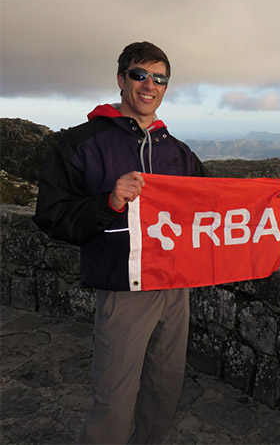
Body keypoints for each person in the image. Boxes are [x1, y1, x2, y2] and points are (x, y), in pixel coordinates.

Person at [33, 42, 208, 444]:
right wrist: (109, 202)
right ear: (120, 79)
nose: (150, 85)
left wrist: (262, 203)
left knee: (165, 391)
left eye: (160, 78)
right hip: (122, 287)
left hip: (174, 287)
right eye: (140, 75)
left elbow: (210, 205)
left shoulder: (178, 152)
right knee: (113, 399)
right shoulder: (82, 143)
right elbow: (51, 214)